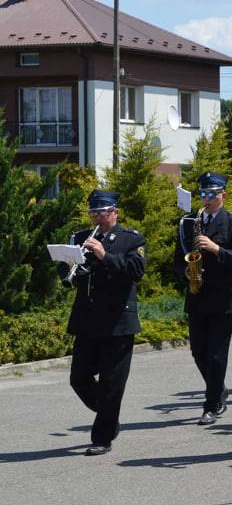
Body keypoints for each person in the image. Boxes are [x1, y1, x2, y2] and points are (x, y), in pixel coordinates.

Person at [59, 190, 145, 455]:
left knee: (111, 382)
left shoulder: (131, 238)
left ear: (115, 213)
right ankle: (109, 415)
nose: (97, 217)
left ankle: (102, 437)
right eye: (93, 212)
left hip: (118, 320)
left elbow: (135, 271)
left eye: (103, 212)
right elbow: (64, 268)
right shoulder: (79, 237)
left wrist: (104, 255)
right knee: (79, 378)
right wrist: (71, 265)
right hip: (87, 319)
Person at [172, 172, 232, 426]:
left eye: (212, 194)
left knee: (216, 353)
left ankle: (211, 404)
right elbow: (177, 257)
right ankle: (219, 388)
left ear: (223, 194)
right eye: (203, 194)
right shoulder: (189, 222)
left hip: (224, 297)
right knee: (198, 351)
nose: (207, 198)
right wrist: (187, 272)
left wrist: (216, 249)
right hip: (198, 295)